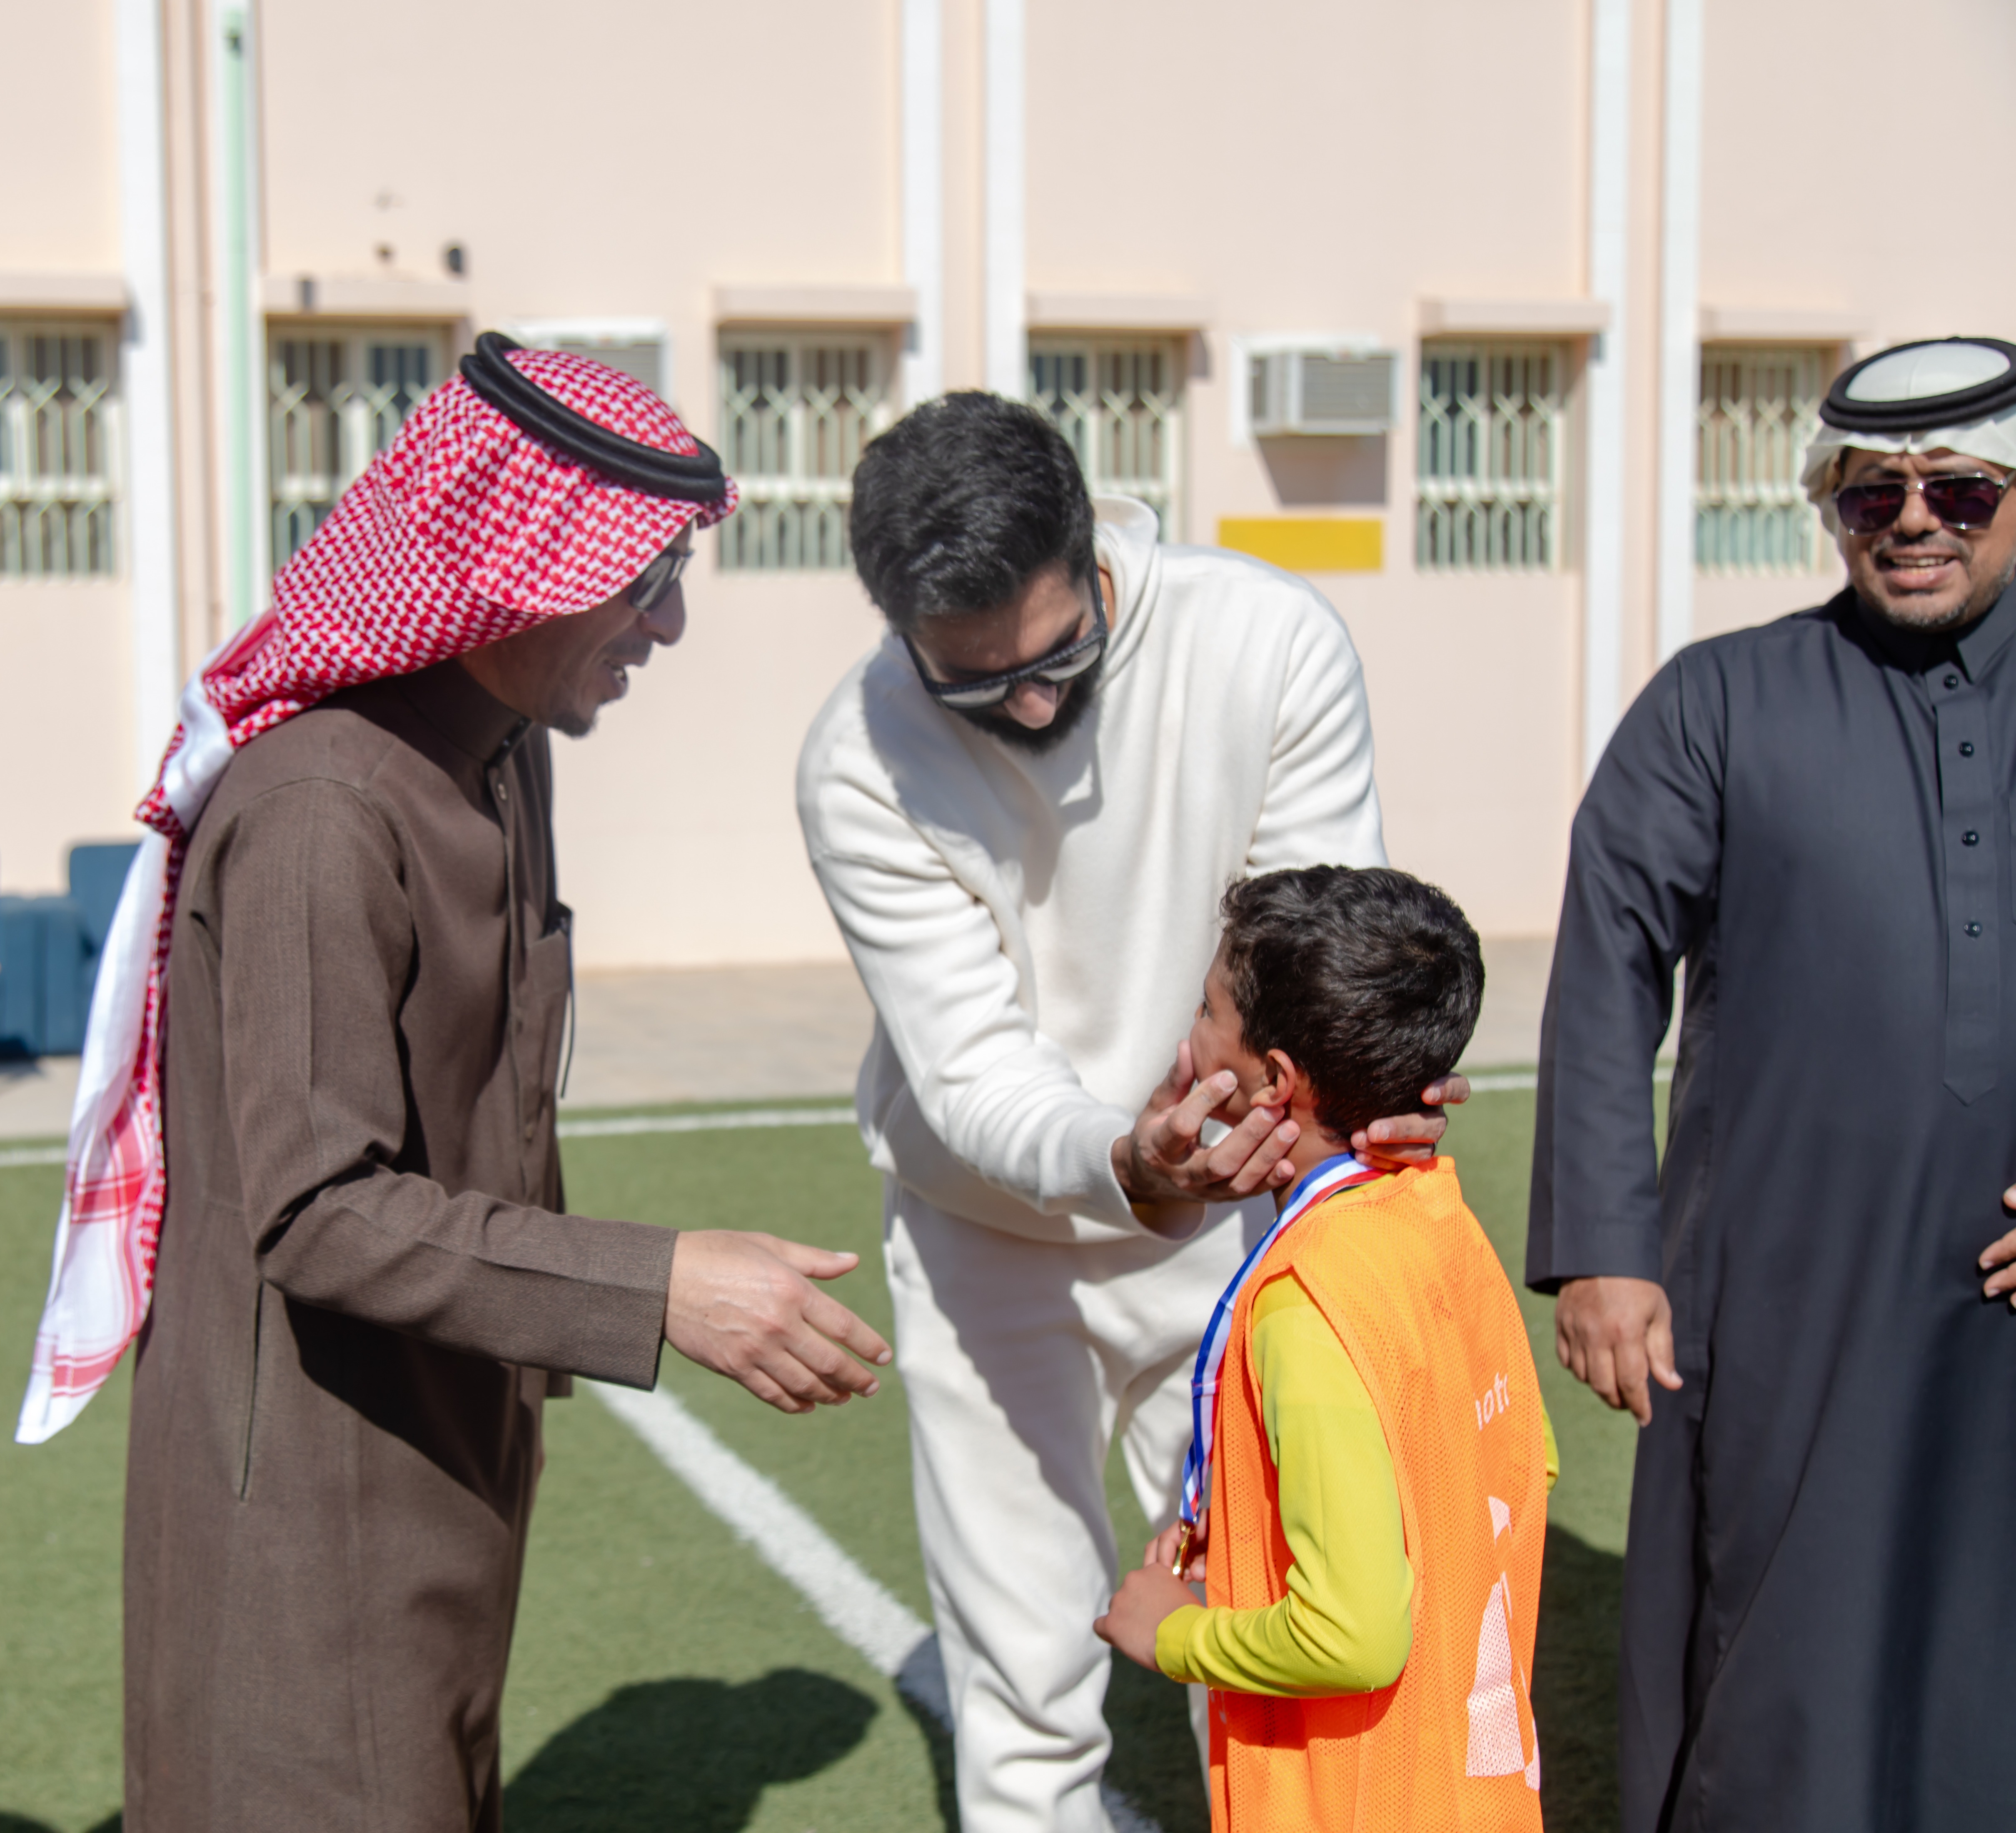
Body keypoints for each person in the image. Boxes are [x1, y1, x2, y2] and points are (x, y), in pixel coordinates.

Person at [17, 334, 894, 1831]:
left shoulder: (496, 754)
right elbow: (320, 1215)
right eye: (642, 579)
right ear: (517, 570)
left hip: (444, 1429)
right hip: (302, 1481)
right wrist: (663, 1286)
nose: (669, 625)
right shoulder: (324, 809)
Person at [796, 391, 1463, 1831]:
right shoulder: (857, 759)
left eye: (1058, 658)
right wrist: (1126, 1159)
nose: (1031, 706)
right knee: (1026, 1668)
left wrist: (1355, 1087)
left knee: (1281, 1628)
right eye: (977, 688)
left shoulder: (1264, 640)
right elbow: (968, 1071)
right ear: (902, 631)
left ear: (1095, 542)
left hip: (1241, 1230)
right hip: (990, 1246)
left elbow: (1313, 930)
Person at [1532, 335, 2016, 1831]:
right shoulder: (1720, 703)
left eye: (1962, 491)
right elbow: (1608, 958)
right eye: (1872, 497)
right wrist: (1606, 1249)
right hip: (1787, 1288)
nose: (1915, 521)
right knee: (1786, 1638)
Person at [1097, 866, 1552, 1831]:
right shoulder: (1443, 1219)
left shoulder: (1307, 1298)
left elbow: (1352, 1635)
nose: (1188, 1032)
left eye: (1207, 1007)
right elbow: (1515, 1464)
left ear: (1277, 1080)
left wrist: (1175, 1633)